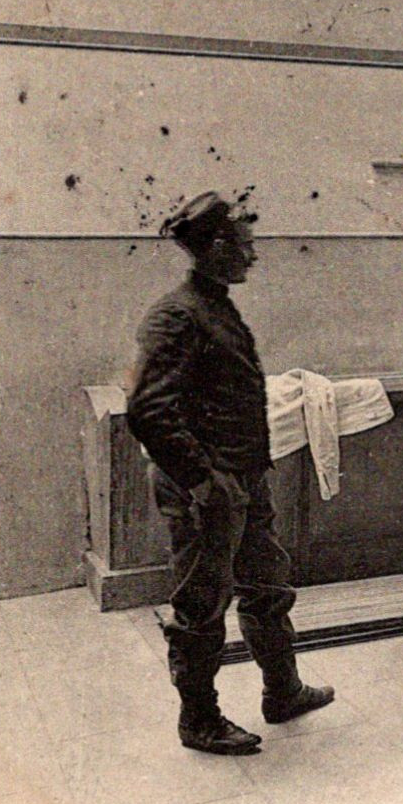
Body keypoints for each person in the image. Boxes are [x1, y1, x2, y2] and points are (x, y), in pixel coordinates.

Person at [127, 192, 334, 756]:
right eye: (245, 246)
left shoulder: (215, 307)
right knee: (201, 607)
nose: (253, 257)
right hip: (207, 489)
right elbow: (147, 409)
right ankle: (199, 719)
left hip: (242, 480)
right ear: (216, 247)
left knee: (267, 588)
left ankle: (282, 691)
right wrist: (202, 480)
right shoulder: (176, 315)